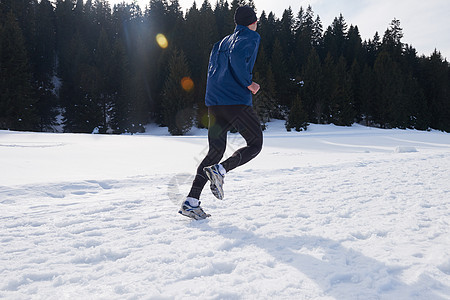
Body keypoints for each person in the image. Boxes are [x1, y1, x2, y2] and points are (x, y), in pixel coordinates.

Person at [179, 5, 263, 220]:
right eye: (255, 20)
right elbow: (236, 60)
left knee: (214, 152)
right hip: (235, 101)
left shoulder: (220, 43)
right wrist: (249, 84)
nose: (257, 23)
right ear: (251, 21)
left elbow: (213, 71)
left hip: (215, 103)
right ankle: (221, 170)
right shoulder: (251, 37)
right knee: (255, 144)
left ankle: (191, 202)